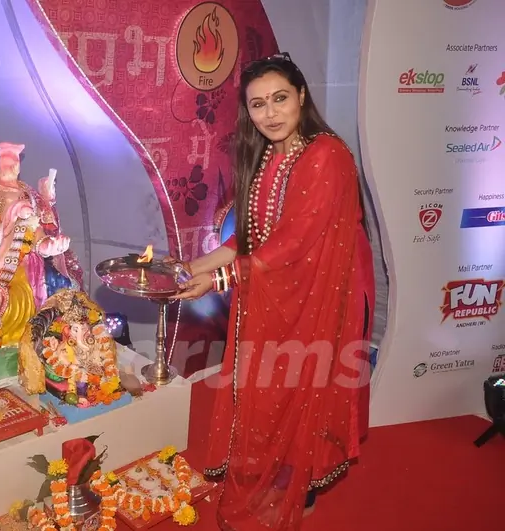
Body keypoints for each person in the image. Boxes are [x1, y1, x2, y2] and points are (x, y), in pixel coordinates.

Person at [170, 53, 375, 530]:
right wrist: (194, 266)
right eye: (258, 105)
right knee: (270, 377)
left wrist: (219, 278)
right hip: (276, 280)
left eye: (280, 98)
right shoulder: (268, 156)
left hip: (324, 283)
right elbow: (253, 232)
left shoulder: (326, 154)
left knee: (304, 376)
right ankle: (279, 462)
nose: (271, 113)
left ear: (302, 96)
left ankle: (300, 474)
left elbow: (296, 239)